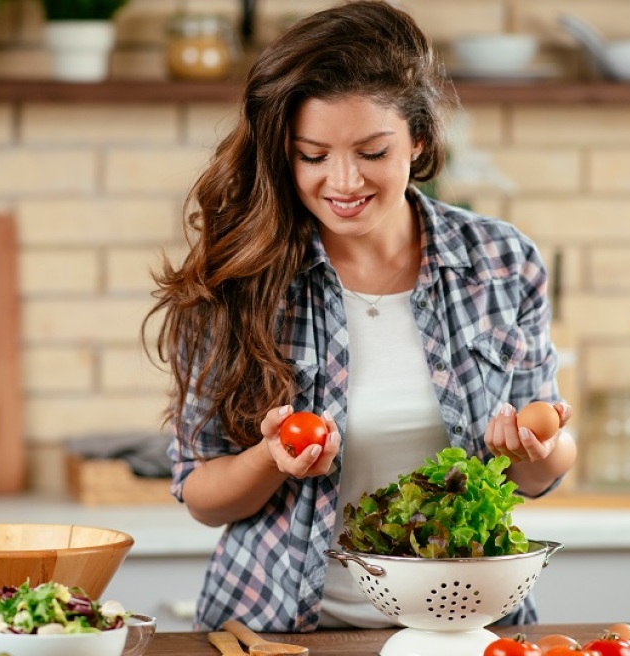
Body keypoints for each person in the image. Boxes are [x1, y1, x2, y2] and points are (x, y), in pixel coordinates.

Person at [144, 0, 576, 633]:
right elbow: (202, 495)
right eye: (312, 156)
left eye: (372, 152)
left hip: (465, 628)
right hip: (279, 630)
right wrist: (270, 458)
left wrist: (534, 447)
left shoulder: (501, 260)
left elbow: (543, 470)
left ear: (420, 138)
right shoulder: (240, 278)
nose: (342, 182)